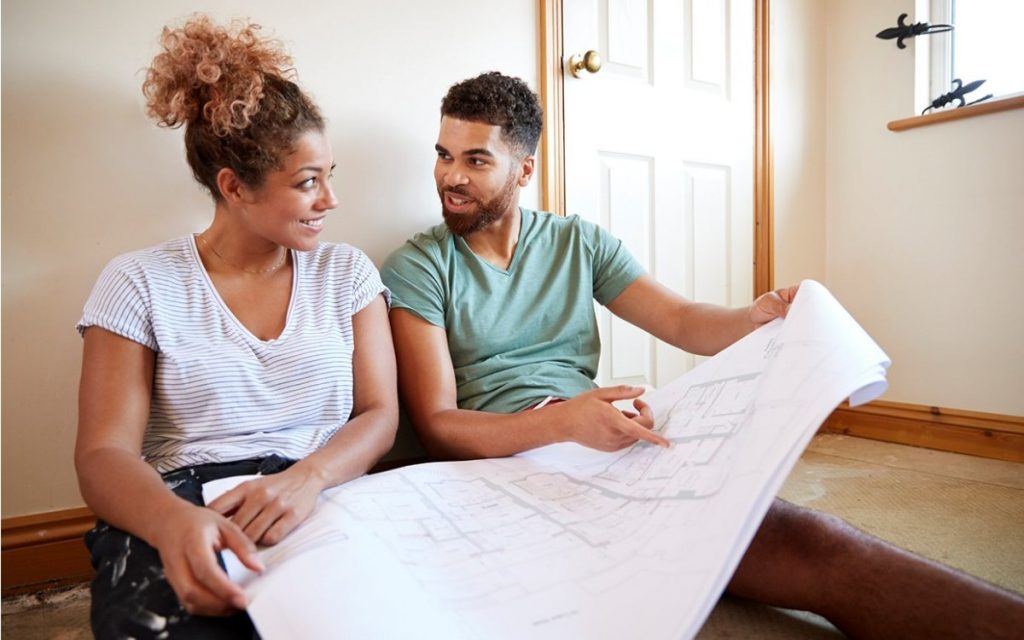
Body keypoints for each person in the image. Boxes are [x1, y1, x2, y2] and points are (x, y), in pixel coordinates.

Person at [381, 71, 1024, 639]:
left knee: (816, 538)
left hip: (601, 438)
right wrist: (562, 422)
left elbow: (683, 320)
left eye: (475, 160)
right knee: (793, 551)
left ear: (523, 169)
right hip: (514, 462)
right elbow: (438, 427)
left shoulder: (578, 242)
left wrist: (756, 317)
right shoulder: (419, 266)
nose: (450, 177)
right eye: (442, 155)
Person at [75, 16, 397, 639]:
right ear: (235, 187)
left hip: (323, 491)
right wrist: (172, 523)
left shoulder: (346, 272)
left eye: (331, 174)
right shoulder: (138, 282)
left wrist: (308, 478)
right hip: (181, 501)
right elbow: (102, 454)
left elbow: (379, 414)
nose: (330, 199)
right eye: (308, 182)